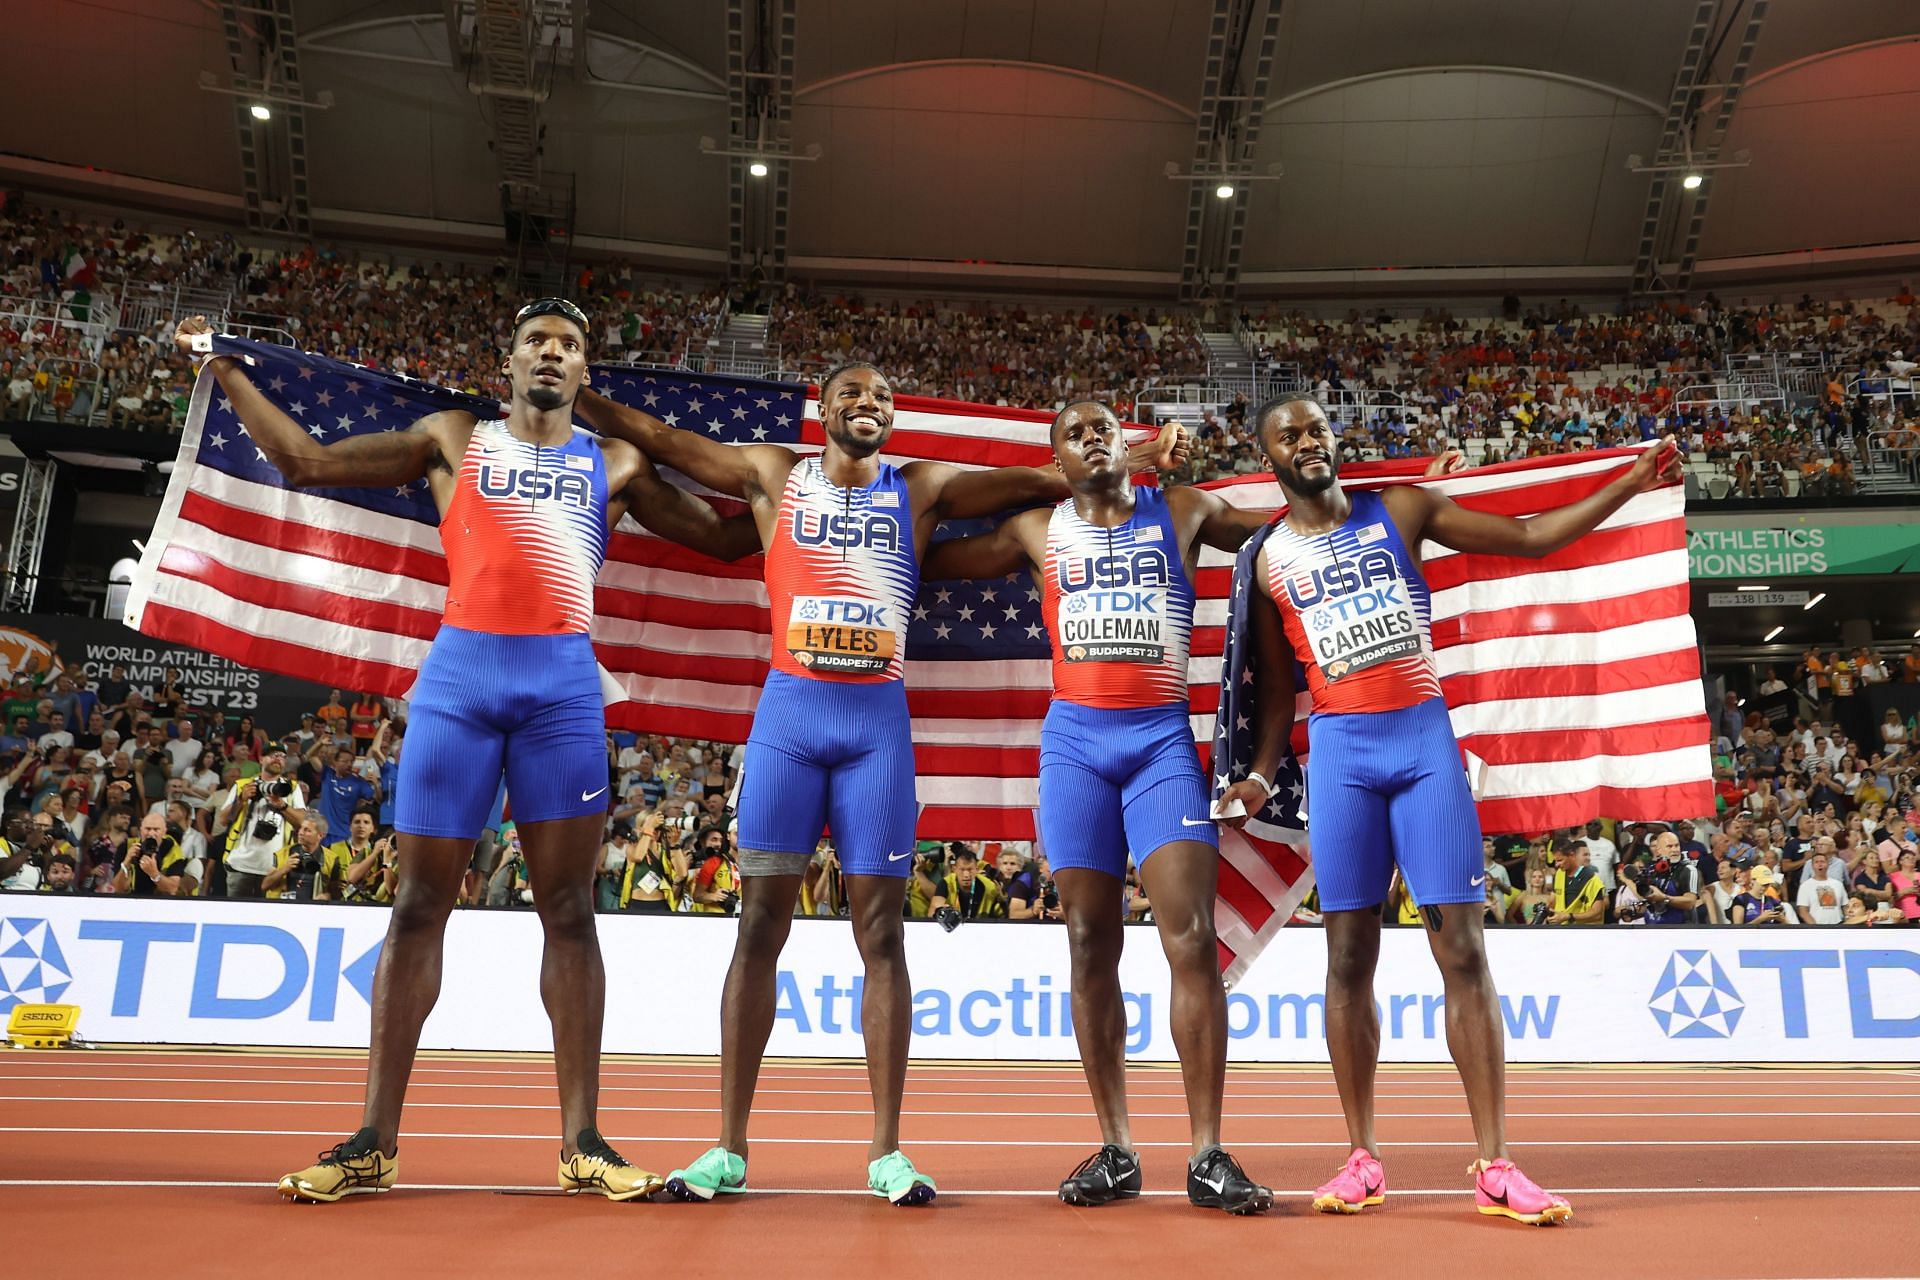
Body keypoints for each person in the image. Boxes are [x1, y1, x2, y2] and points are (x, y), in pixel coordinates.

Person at [174, 299, 760, 1204]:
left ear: (584, 372)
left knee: (570, 911)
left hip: (562, 694)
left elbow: (727, 541)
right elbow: (306, 463)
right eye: (537, 342)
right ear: (510, 361)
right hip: (459, 686)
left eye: (570, 345)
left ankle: (584, 1143)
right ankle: (374, 1138)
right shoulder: (456, 436)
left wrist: (816, 495)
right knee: (417, 906)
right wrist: (228, 371)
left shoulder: (618, 461)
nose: (552, 355)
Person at [574, 363, 1180, 1207]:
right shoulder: (774, 476)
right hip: (789, 718)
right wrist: (585, 403)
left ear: (893, 419)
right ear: (824, 409)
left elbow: (1041, 477)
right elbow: (671, 444)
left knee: (882, 937)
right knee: (758, 929)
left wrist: (1133, 458)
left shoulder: (922, 487)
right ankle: (727, 1147)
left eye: (884, 398)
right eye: (853, 394)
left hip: (875, 731)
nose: (870, 404)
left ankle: (888, 1153)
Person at [1219, 392, 1680, 1226]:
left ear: (1334, 440)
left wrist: (1631, 480)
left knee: (1462, 949)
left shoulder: (1401, 507)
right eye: (1288, 434)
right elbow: (1277, 698)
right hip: (1341, 761)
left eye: (1318, 428)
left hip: (1423, 744)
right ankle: (1362, 1155)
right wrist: (1255, 776)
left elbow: (1535, 537)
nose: (1308, 441)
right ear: (1271, 459)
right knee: (1348, 958)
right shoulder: (1265, 560)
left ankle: (1496, 1163)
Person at [924, 400, 1272, 1212]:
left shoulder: (1182, 510)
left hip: (1158, 745)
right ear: (1056, 459)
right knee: (1088, 939)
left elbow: (1291, 526)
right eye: (1072, 433)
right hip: (1076, 747)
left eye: (1104, 427)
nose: (1091, 437)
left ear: (1130, 444)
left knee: (1189, 937)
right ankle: (1117, 1147)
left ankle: (1208, 1152)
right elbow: (930, 548)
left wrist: (1383, 497)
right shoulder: (1034, 530)